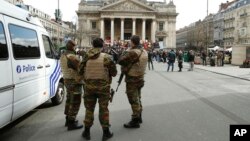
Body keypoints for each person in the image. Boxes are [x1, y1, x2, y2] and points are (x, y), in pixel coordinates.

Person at [79, 38, 117, 141]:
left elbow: (80, 71)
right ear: (102, 46)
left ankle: (86, 132)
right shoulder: (107, 57)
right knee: (103, 110)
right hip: (103, 89)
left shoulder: (86, 57)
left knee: (89, 109)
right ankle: (106, 133)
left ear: (92, 45)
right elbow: (114, 73)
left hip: (89, 88)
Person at [118, 35, 148, 128]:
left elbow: (120, 61)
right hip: (140, 78)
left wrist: (126, 51)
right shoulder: (144, 51)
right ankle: (139, 116)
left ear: (132, 42)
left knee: (133, 100)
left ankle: (135, 120)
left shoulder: (133, 52)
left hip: (132, 79)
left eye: (130, 42)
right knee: (138, 97)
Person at [60, 40, 83, 130]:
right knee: (75, 102)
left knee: (69, 100)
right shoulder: (72, 57)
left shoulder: (63, 55)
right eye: (75, 47)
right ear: (72, 47)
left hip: (66, 80)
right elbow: (80, 68)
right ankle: (71, 123)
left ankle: (67, 119)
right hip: (74, 81)